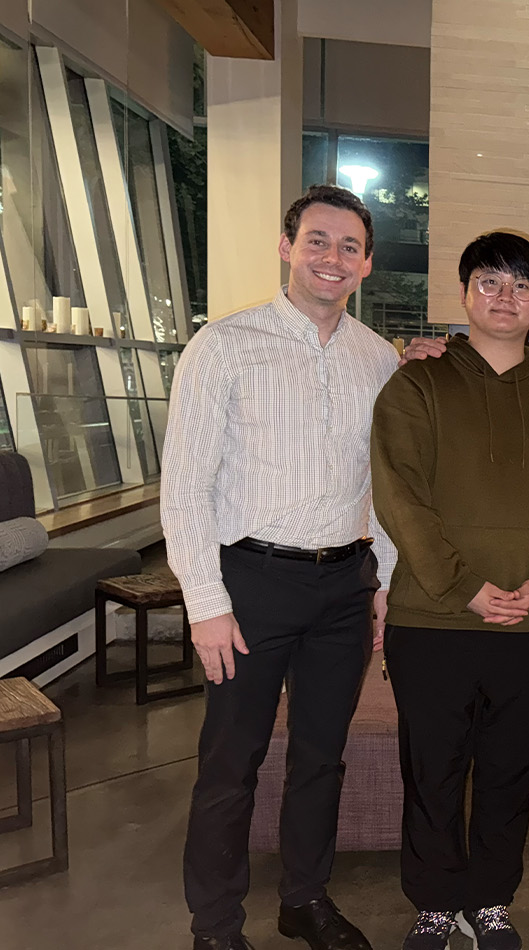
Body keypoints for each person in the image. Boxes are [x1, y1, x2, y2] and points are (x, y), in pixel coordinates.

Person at [162, 184, 398, 950]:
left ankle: (304, 899)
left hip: (343, 585)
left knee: (320, 758)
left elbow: (384, 486)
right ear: (287, 246)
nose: (333, 258)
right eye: (318, 241)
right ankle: (216, 925)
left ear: (366, 263)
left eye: (349, 246)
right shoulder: (224, 346)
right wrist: (206, 602)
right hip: (249, 585)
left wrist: (385, 582)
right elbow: (185, 487)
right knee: (231, 766)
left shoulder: (378, 359)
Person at [370, 233, 529, 950]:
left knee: (511, 769)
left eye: (522, 286)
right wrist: (464, 586)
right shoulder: (417, 384)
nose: (506, 298)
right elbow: (399, 494)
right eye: (490, 283)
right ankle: (436, 901)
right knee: (432, 770)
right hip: (433, 618)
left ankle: (490, 900)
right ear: (466, 292)